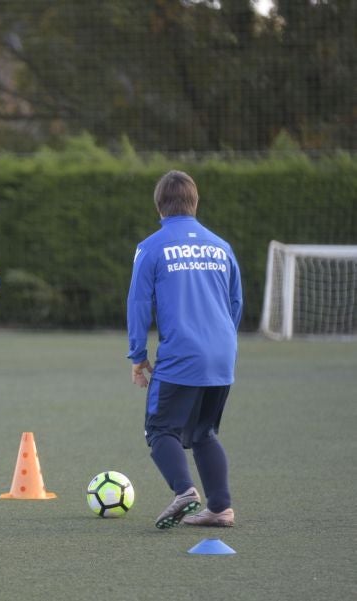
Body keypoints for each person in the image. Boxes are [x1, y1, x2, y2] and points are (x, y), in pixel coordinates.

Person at [126, 170, 242, 529]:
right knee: (203, 432)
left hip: (182, 355)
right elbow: (235, 302)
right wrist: (221, 342)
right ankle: (220, 509)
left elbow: (138, 304)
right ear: (195, 203)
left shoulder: (151, 247)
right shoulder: (222, 246)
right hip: (222, 354)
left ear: (159, 207)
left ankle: (184, 491)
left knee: (160, 430)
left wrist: (137, 355)